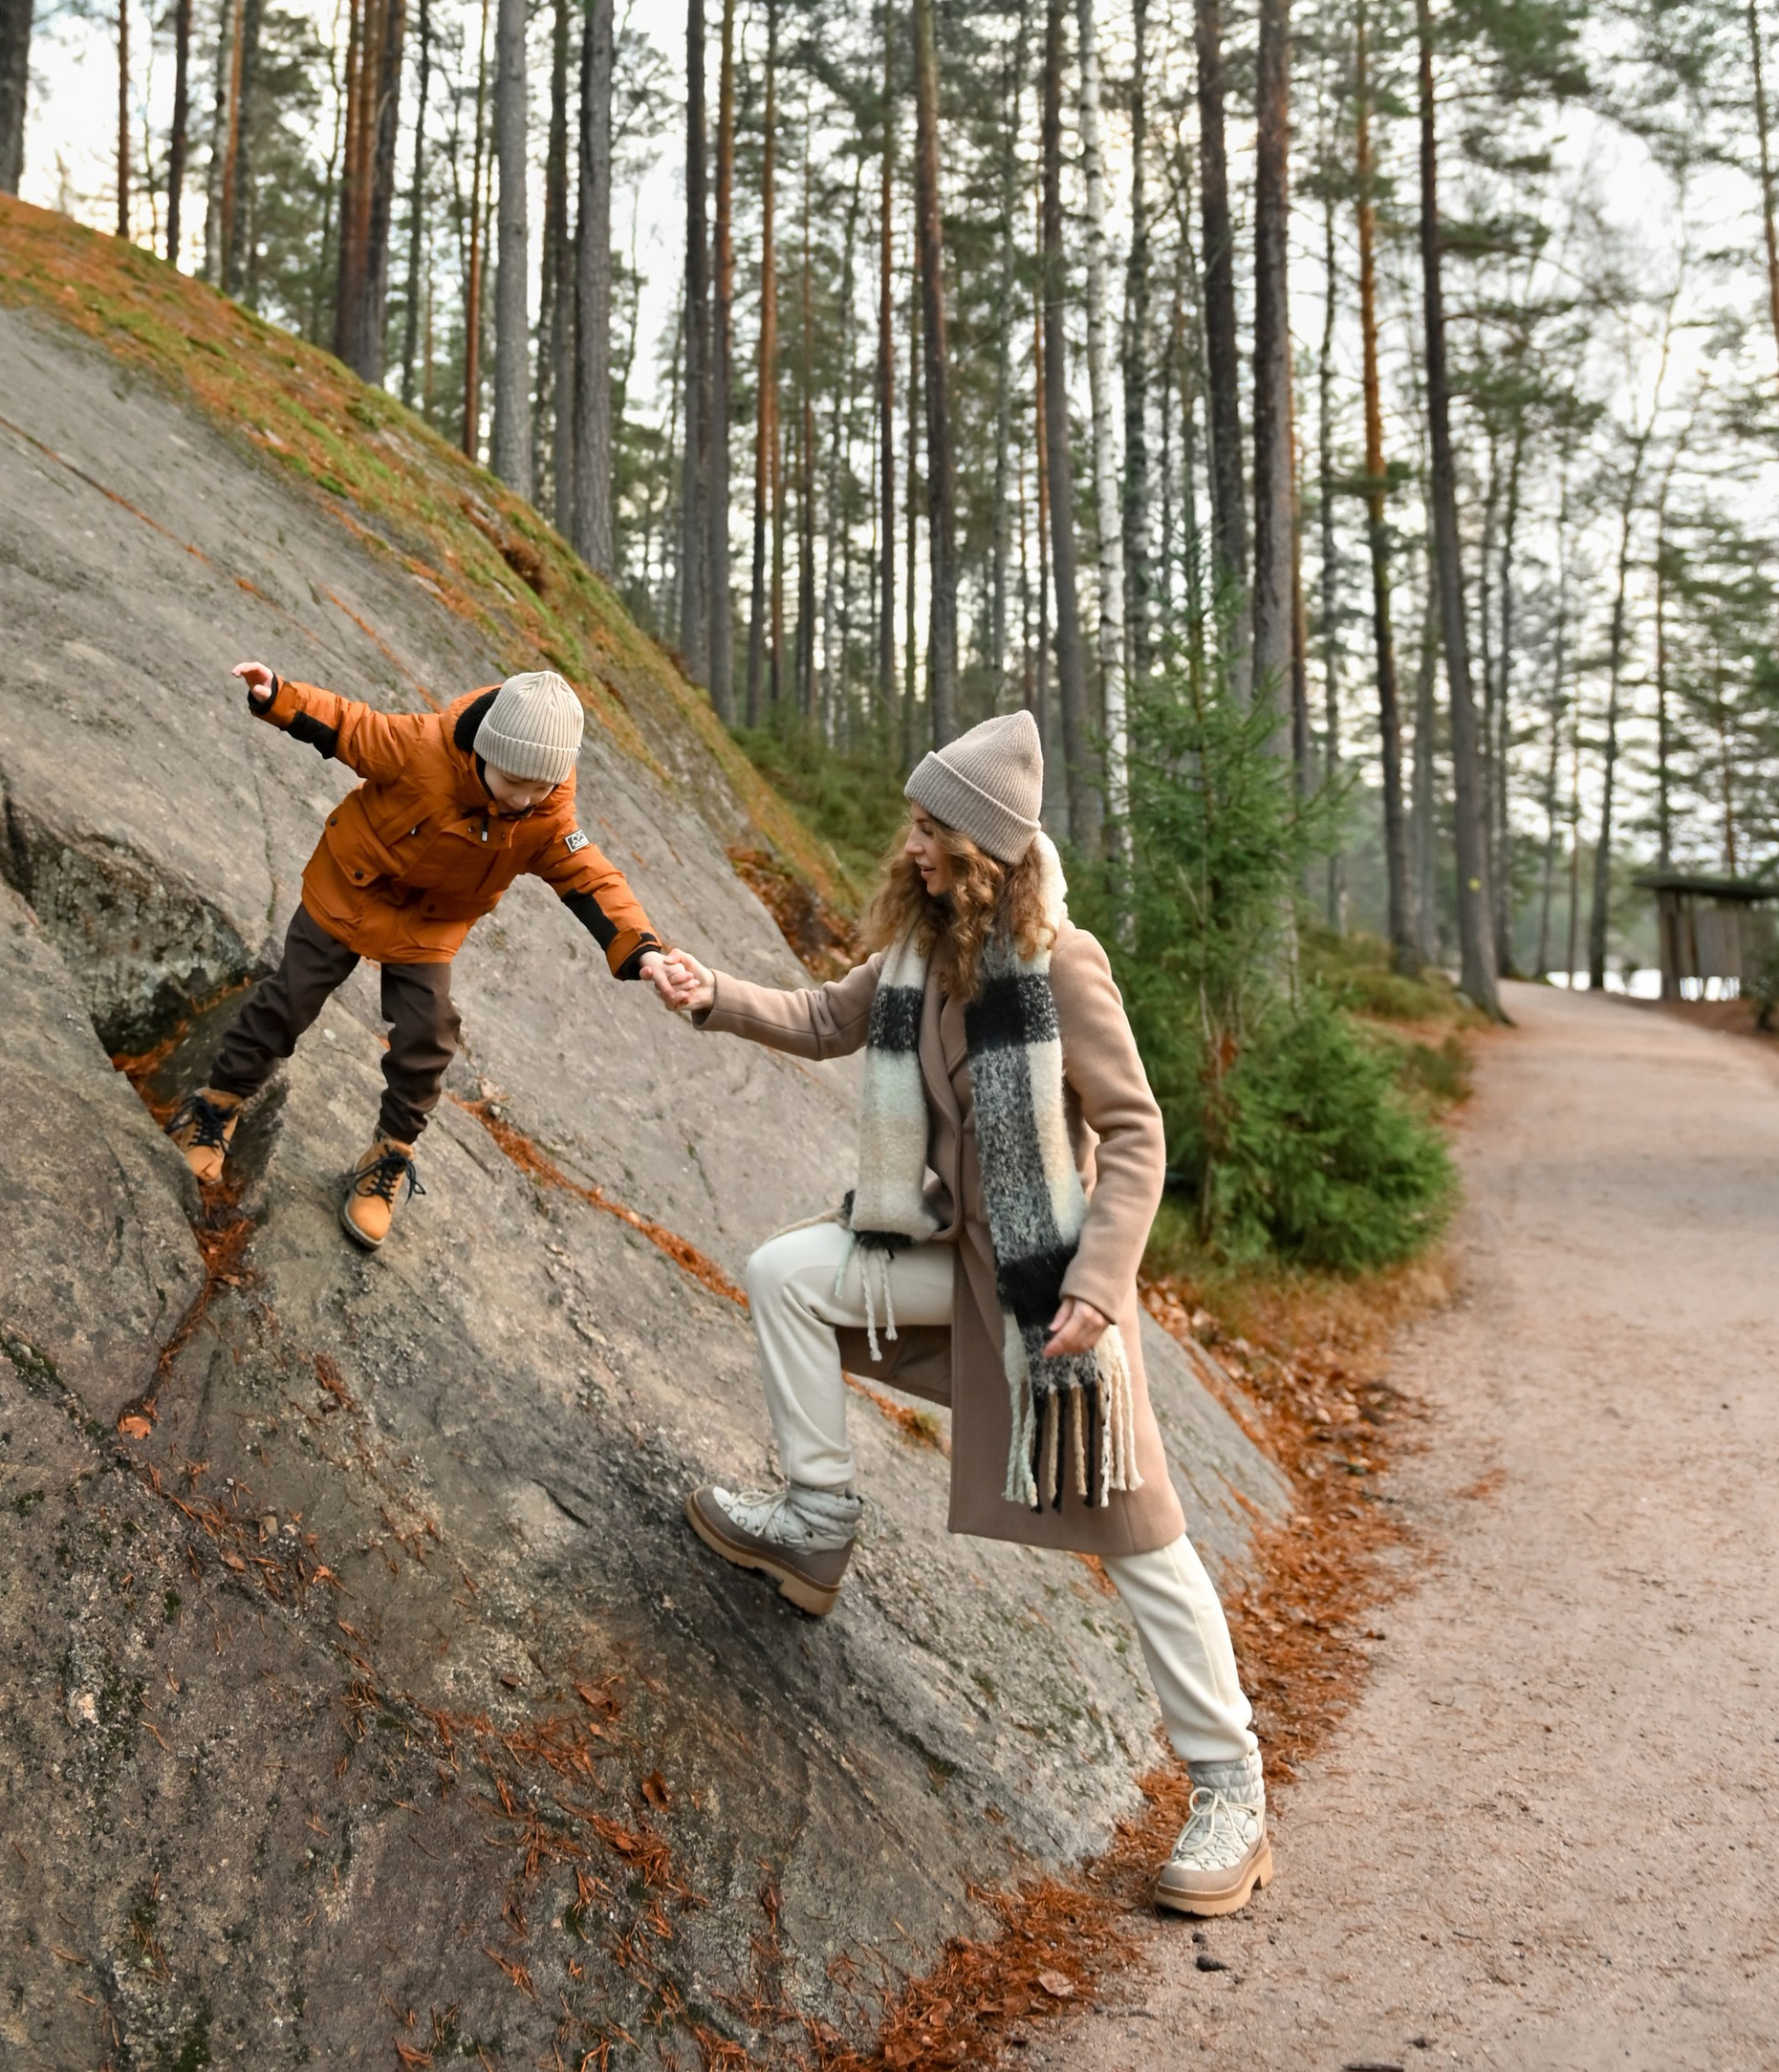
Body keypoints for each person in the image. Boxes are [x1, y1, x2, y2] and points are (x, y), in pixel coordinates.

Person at [642, 706, 1270, 1921]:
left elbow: (1136, 1130)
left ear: (986, 849)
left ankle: (1229, 1785)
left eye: (933, 826)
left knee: (1141, 1543)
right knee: (788, 1271)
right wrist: (709, 993)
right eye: (915, 820)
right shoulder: (922, 955)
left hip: (1050, 1303)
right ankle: (815, 1517)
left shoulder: (1060, 964)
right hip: (945, 1261)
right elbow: (825, 1017)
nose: (911, 843)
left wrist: (1094, 1286)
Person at [174, 664, 668, 1253]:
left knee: (429, 1036)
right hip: (351, 887)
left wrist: (643, 948)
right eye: (514, 780)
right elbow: (349, 725)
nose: (524, 798)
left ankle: (389, 1154)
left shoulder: (545, 815)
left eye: (541, 785)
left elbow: (591, 877)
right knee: (291, 998)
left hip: (429, 922)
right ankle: (218, 1102)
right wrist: (278, 696)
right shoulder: (420, 747)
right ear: (485, 748)